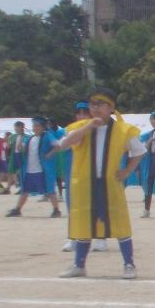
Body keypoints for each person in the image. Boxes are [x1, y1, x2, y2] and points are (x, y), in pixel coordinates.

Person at [50, 89, 145, 278]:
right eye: (93, 104)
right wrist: (88, 127)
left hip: (110, 184)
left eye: (101, 104)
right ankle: (79, 265)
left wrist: (127, 171)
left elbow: (139, 151)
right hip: (85, 185)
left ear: (111, 107)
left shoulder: (123, 129)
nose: (96, 108)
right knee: (84, 223)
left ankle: (129, 264)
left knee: (120, 223)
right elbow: (64, 144)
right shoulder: (80, 126)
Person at [7, 116, 62, 217]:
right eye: (34, 126)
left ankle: (56, 210)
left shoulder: (48, 136)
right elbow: (21, 149)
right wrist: (19, 138)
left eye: (37, 126)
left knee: (50, 190)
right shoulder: (30, 138)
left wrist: (49, 154)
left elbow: (58, 146)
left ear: (42, 127)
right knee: (25, 190)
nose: (35, 128)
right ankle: (17, 209)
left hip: (42, 169)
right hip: (29, 169)